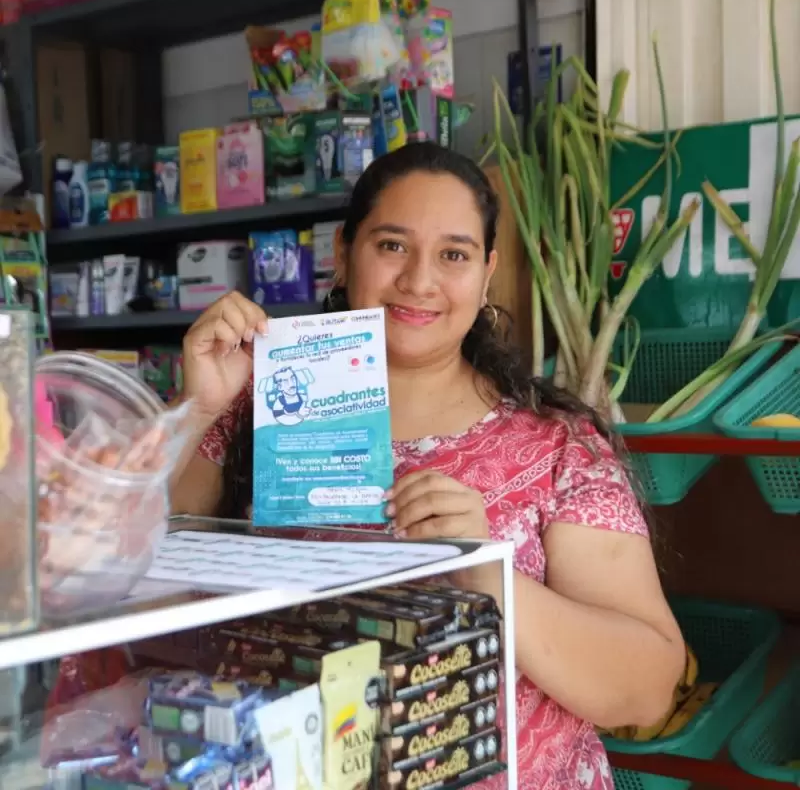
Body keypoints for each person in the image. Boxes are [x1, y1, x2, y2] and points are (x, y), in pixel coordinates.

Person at [168, 142, 685, 789]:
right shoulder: (252, 406)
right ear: (343, 253)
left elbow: (646, 689)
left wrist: (485, 568)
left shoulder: (556, 447)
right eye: (391, 245)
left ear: (487, 270)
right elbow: (120, 565)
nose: (419, 280)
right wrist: (194, 407)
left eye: (454, 254)